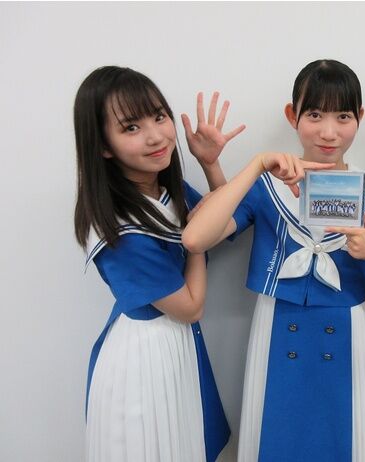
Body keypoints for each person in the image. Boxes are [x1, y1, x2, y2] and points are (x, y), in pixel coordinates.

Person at [182, 59, 365, 461]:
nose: (328, 131)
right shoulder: (267, 186)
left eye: (343, 116)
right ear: (293, 116)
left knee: (344, 442)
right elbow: (198, 237)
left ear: (360, 117)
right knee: (276, 438)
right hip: (276, 331)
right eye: (315, 114)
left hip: (348, 337)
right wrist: (230, 164)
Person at [73, 65, 245, 461]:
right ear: (103, 145)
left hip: (174, 347)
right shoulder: (117, 227)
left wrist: (210, 164)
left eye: (159, 116)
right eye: (131, 127)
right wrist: (194, 240)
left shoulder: (163, 191)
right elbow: (190, 307)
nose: (155, 136)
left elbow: (221, 223)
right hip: (143, 358)